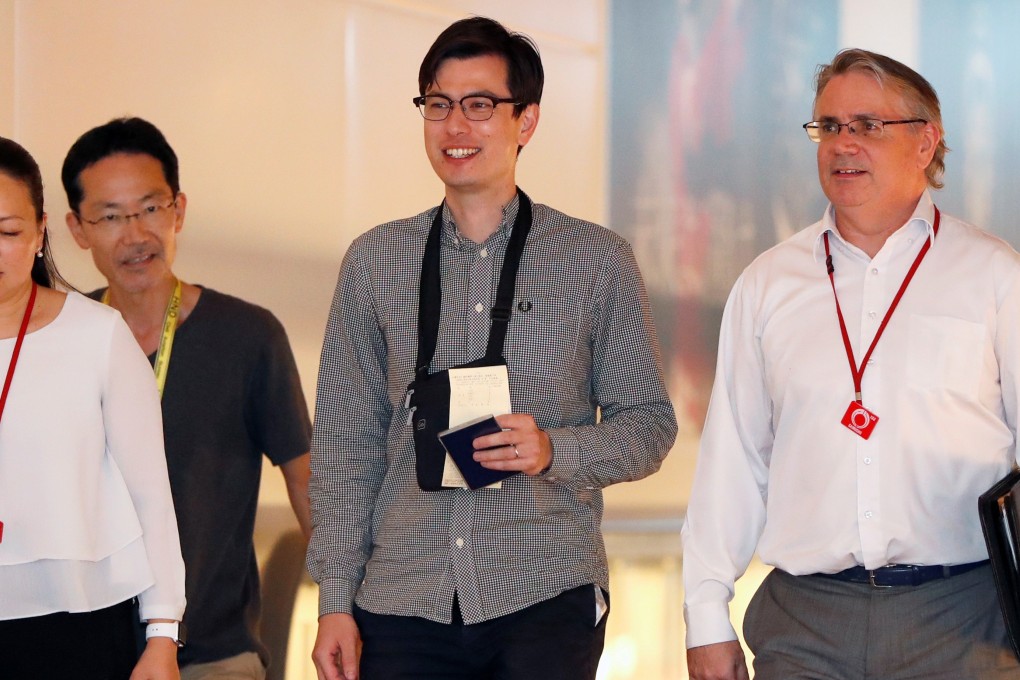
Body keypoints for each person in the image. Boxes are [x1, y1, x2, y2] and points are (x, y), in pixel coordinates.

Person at [307, 15, 677, 680]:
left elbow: (649, 426)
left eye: (480, 106)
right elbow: (344, 445)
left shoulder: (596, 260)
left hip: (543, 589)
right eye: (438, 105)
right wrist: (335, 600)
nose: (455, 127)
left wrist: (555, 449)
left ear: (526, 121)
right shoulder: (375, 261)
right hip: (401, 598)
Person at [682, 48, 1020, 679]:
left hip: (964, 620)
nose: (843, 145)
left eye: (867, 126)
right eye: (829, 127)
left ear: (926, 140)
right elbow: (732, 461)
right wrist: (705, 614)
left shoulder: (994, 275)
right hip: (805, 621)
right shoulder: (768, 284)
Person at [61, 118, 313, 680]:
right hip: (81, 647)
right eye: (110, 216)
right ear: (78, 229)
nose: (135, 234)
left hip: (211, 654)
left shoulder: (247, 336)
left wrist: (345, 607)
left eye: (150, 208)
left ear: (178, 210)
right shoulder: (63, 341)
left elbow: (306, 478)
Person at [0, 136, 186, 679]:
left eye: (8, 232)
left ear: (40, 232)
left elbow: (151, 497)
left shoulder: (97, 335)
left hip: (75, 622)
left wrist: (163, 636)